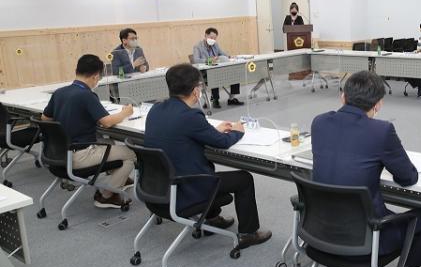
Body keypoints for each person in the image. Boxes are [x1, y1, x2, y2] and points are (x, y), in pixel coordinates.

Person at [311, 70, 421, 267]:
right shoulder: (381, 131)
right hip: (366, 241)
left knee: (353, 203)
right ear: (378, 104)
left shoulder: (319, 122)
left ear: (342, 97)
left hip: (319, 231)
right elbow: (408, 178)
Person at [144, 64, 271, 248]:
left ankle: (212, 219)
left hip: (158, 188)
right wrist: (238, 130)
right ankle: (248, 234)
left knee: (205, 168)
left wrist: (211, 131)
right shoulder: (191, 116)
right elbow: (223, 142)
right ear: (196, 91)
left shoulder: (155, 109)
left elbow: (183, 133)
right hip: (185, 189)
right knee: (243, 178)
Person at [42, 54, 135, 209]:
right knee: (131, 154)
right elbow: (107, 122)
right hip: (80, 155)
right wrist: (126, 112)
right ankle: (107, 196)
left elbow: (45, 118)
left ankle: (120, 178)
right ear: (95, 76)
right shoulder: (87, 95)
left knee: (109, 142)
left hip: (58, 154)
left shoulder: (59, 92)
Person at [192, 27, 244, 109]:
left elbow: (221, 53)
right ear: (206, 35)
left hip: (217, 69)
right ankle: (215, 99)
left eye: (214, 38)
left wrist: (229, 57)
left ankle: (232, 98)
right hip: (205, 72)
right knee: (214, 75)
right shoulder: (198, 46)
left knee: (234, 73)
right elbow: (196, 60)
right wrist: (209, 60)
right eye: (211, 37)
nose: (213, 40)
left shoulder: (215, 45)